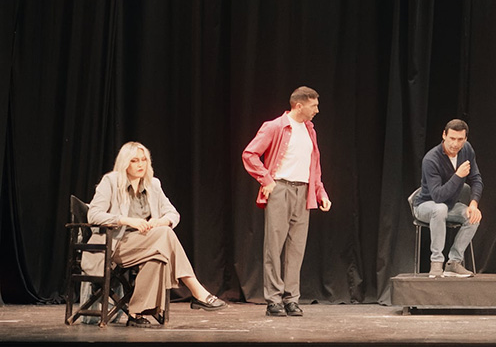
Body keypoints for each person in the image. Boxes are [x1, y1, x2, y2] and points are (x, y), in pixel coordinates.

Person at [88, 142, 227, 328]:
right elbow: (93, 215)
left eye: (144, 160)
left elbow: (173, 214)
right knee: (164, 236)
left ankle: (136, 314)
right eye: (134, 161)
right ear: (124, 163)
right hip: (115, 244)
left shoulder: (153, 184)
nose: (140, 164)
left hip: (146, 243)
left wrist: (160, 221)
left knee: (159, 254)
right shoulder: (111, 181)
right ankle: (196, 290)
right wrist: (126, 220)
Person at [243, 86, 331, 317]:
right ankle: (274, 300)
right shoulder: (275, 126)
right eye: (313, 106)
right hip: (281, 189)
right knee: (274, 247)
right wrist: (266, 179)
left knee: (296, 249)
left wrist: (320, 192)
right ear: (299, 105)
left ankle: (291, 299)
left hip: (303, 191)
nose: (317, 110)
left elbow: (314, 166)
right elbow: (250, 154)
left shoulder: (310, 130)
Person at [412, 119, 483, 277]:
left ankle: (453, 263)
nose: (455, 144)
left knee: (473, 216)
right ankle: (436, 262)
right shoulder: (431, 159)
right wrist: (458, 176)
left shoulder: (467, 150)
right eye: (452, 138)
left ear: (465, 139)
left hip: (450, 206)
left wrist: (473, 204)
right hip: (425, 206)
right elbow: (438, 196)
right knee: (440, 208)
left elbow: (476, 179)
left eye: (460, 139)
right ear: (444, 135)